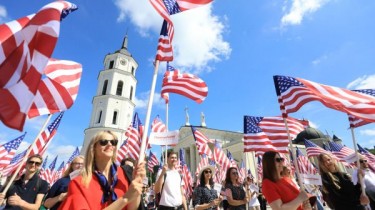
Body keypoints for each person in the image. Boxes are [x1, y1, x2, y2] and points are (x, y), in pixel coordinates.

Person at [59, 130, 146, 209]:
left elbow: (132, 209)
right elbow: (126, 198)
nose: (110, 145)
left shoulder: (125, 174)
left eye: (113, 142)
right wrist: (125, 198)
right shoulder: (78, 182)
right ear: (94, 148)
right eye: (103, 142)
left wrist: (136, 182)